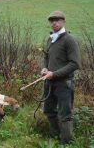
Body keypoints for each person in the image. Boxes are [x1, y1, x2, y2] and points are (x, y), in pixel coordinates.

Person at [41, 11, 81, 145]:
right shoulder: (51, 38)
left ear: (63, 21)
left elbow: (75, 64)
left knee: (65, 115)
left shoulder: (69, 39)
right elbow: (47, 57)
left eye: (57, 20)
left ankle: (66, 143)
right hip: (50, 82)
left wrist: (55, 74)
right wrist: (45, 68)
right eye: (52, 20)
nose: (54, 22)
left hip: (64, 83)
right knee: (48, 110)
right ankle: (54, 137)